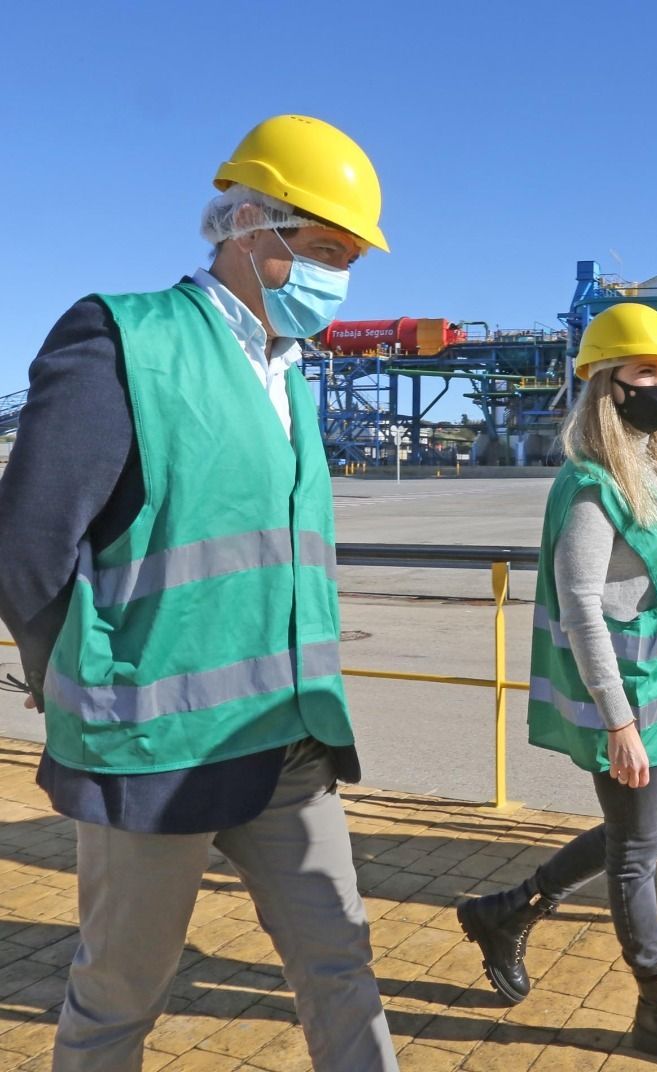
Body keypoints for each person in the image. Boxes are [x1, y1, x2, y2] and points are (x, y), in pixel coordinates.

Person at [0, 115, 397, 1070]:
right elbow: (24, 546)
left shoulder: (291, 377)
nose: (338, 277)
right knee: (119, 997)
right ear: (252, 227)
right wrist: (81, 676)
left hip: (289, 734)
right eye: (327, 250)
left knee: (340, 958)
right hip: (158, 749)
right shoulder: (124, 339)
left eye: (351, 257)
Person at [455, 304, 657, 1071]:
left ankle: (506, 913)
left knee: (635, 835)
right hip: (626, 695)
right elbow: (580, 601)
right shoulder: (590, 484)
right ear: (606, 386)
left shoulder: (649, 468)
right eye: (647, 372)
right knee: (636, 857)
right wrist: (618, 723)